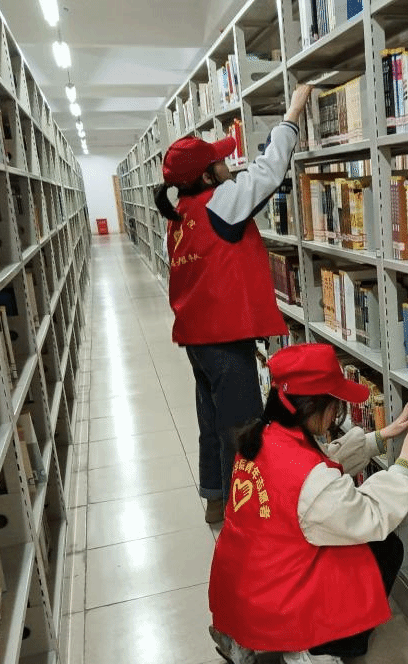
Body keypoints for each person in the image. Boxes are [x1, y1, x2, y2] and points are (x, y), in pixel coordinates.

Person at [207, 343, 408, 664]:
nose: (336, 414)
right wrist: (403, 464)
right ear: (314, 407)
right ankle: (317, 652)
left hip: (242, 593)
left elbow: (320, 465)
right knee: (383, 549)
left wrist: (379, 438)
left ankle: (242, 637)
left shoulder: (263, 437)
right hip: (278, 597)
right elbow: (369, 516)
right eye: (335, 405)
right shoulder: (310, 479)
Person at [153, 84, 313, 524]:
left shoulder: (182, 214)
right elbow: (268, 172)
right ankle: (243, 519)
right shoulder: (220, 203)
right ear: (208, 176)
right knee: (242, 430)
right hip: (225, 342)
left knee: (211, 421)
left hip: (197, 340)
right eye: (221, 162)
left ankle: (215, 499)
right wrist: (292, 115)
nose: (230, 166)